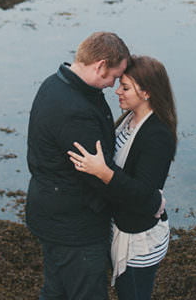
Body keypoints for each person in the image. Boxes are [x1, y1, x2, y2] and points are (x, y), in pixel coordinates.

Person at [26, 33, 163, 300]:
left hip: (49, 212)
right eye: (114, 76)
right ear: (100, 65)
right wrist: (149, 202)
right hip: (74, 226)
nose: (114, 85)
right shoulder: (73, 110)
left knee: (56, 291)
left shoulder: (54, 84)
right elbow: (97, 176)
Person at [68, 55, 177, 300]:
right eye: (119, 84)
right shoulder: (129, 120)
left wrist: (103, 172)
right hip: (120, 229)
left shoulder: (157, 136)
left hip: (139, 243)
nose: (117, 91)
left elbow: (144, 197)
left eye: (125, 87)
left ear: (147, 93)